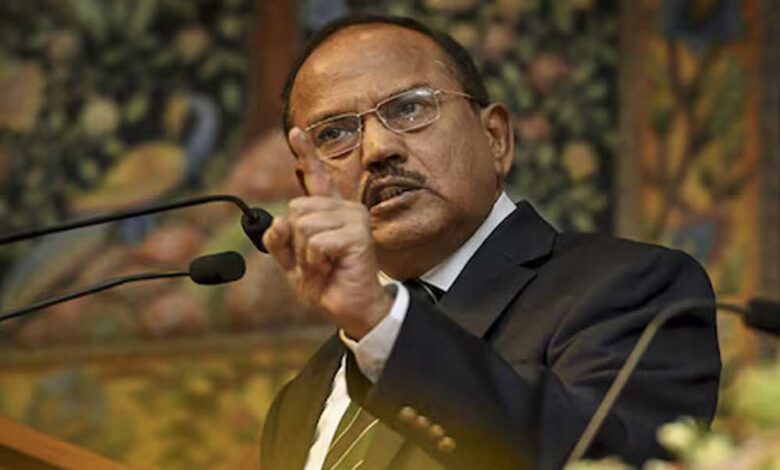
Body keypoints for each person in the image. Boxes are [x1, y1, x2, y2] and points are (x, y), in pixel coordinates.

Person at [259, 14, 720, 470]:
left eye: (409, 108)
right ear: (309, 188)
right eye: (335, 133)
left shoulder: (633, 288)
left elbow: (604, 459)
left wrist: (383, 325)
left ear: (495, 137)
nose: (378, 150)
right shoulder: (299, 401)